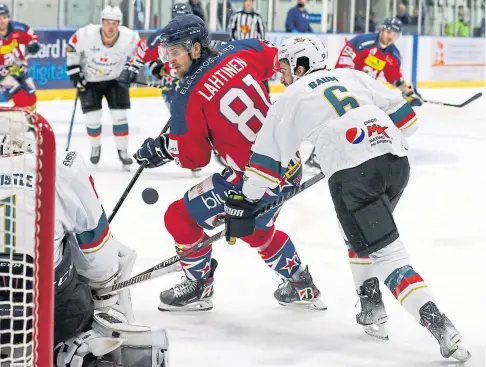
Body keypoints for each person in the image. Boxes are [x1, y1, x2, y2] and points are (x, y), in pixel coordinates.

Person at [223, 35, 471, 362]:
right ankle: (371, 306)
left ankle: (440, 325)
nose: (281, 76)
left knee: (386, 254)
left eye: (284, 68)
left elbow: (265, 166)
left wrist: (246, 203)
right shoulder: (351, 75)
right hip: (396, 162)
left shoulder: (290, 98)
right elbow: (408, 123)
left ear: (300, 67)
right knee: (359, 232)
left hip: (355, 175)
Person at [133, 14, 325, 312]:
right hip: (289, 165)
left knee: (178, 217)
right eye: (166, 53)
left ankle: (199, 285)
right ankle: (301, 283)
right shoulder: (241, 49)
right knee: (257, 231)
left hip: (253, 179)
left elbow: (195, 158)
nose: (169, 60)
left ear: (196, 48)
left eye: (174, 52)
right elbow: (282, 61)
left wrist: (162, 148)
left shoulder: (186, 96)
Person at [0, 117, 169, 367]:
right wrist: (101, 290)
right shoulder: (61, 169)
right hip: (49, 314)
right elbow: (100, 267)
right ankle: (73, 350)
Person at [306, 17, 422, 170]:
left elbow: (394, 76)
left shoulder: (393, 54)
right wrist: (348, 83)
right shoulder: (362, 42)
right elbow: (344, 64)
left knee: (368, 121)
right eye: (389, 32)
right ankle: (317, 156)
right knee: (338, 118)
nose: (391, 37)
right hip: (346, 86)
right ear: (382, 29)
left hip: (365, 91)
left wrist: (408, 92)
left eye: (395, 34)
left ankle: (357, 153)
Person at [66, 6, 139, 170]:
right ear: (102, 22)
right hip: (90, 81)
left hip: (116, 80)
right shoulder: (86, 34)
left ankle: (123, 151)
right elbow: (71, 49)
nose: (111, 26)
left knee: (120, 117)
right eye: (107, 22)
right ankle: (95, 146)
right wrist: (75, 74)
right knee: (93, 118)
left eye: (114, 23)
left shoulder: (130, 37)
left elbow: (140, 54)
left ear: (119, 23)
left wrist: (132, 70)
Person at [0, 3, 40, 111]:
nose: (2, 21)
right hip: (2, 75)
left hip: (19, 69)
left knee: (31, 95)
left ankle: (31, 119)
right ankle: (20, 121)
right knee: (20, 98)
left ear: (8, 17)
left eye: (4, 17)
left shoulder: (16, 28)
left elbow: (30, 33)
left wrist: (33, 43)